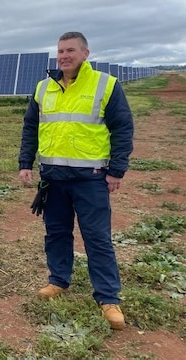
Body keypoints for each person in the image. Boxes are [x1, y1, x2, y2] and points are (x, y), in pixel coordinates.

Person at [18, 32, 134, 330]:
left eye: (70, 50)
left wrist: (117, 170)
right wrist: (25, 163)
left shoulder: (105, 85)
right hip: (53, 177)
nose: (64, 56)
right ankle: (59, 280)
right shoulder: (43, 88)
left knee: (97, 239)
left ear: (85, 53)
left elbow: (123, 128)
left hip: (91, 179)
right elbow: (31, 126)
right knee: (56, 233)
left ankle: (108, 297)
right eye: (60, 51)